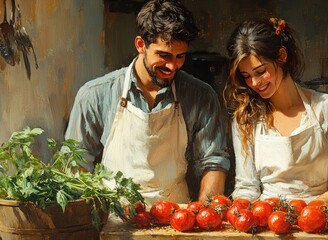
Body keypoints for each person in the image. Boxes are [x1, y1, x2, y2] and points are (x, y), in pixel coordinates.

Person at [65, 0, 230, 205]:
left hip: (175, 217)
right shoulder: (94, 94)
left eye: (180, 57)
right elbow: (76, 165)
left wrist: (204, 215)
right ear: (141, 45)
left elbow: (213, 162)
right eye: (163, 55)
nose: (172, 66)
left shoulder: (201, 96)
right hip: (114, 218)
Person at [224, 18, 328, 203]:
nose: (255, 83)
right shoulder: (246, 118)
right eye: (246, 76)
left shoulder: (327, 107)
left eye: (260, 71)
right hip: (268, 219)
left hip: (318, 216)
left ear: (281, 56)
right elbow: (246, 187)